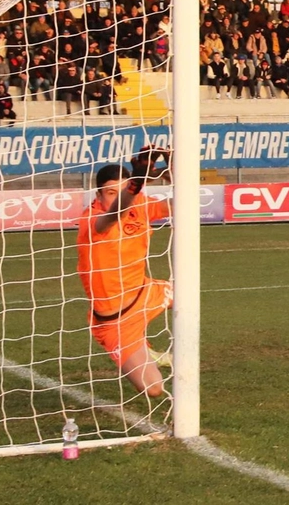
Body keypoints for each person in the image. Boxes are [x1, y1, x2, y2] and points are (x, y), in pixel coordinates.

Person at [76, 156, 173, 397]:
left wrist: (173, 168)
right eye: (110, 192)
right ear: (98, 196)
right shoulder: (92, 219)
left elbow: (182, 204)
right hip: (115, 321)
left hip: (145, 293)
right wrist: (134, 185)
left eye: (121, 189)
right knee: (154, 388)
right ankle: (142, 349)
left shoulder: (139, 204)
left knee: (190, 294)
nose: (116, 197)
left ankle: (185, 357)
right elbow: (115, 213)